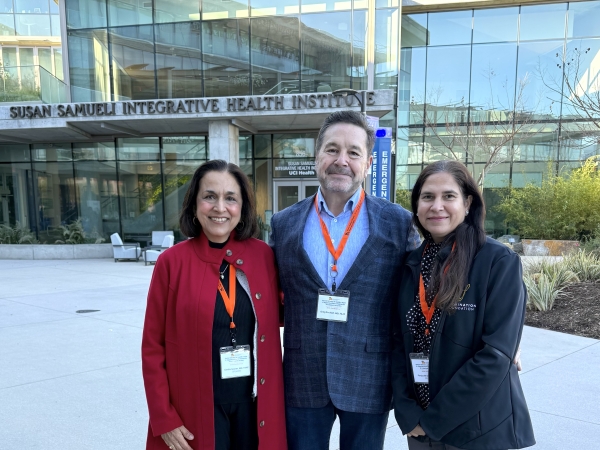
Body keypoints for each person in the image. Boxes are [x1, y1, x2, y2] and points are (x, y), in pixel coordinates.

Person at [269, 110, 420, 450]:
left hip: (369, 375)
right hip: (302, 375)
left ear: (368, 163)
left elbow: (424, 293)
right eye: (332, 149)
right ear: (317, 157)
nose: (342, 160)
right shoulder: (283, 223)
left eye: (353, 152)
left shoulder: (398, 223)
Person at [142, 160, 287, 450]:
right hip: (194, 412)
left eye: (230, 198)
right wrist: (163, 417)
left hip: (255, 408)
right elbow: (152, 347)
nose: (220, 207)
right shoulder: (171, 263)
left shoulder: (263, 256)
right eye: (209, 196)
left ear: (242, 207)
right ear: (195, 205)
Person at [391, 160, 535, 450]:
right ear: (416, 205)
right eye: (427, 197)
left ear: (468, 203)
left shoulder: (497, 262)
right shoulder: (410, 265)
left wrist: (434, 421)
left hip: (477, 429)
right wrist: (408, 414)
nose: (436, 206)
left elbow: (496, 354)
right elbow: (397, 344)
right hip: (420, 428)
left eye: (449, 196)